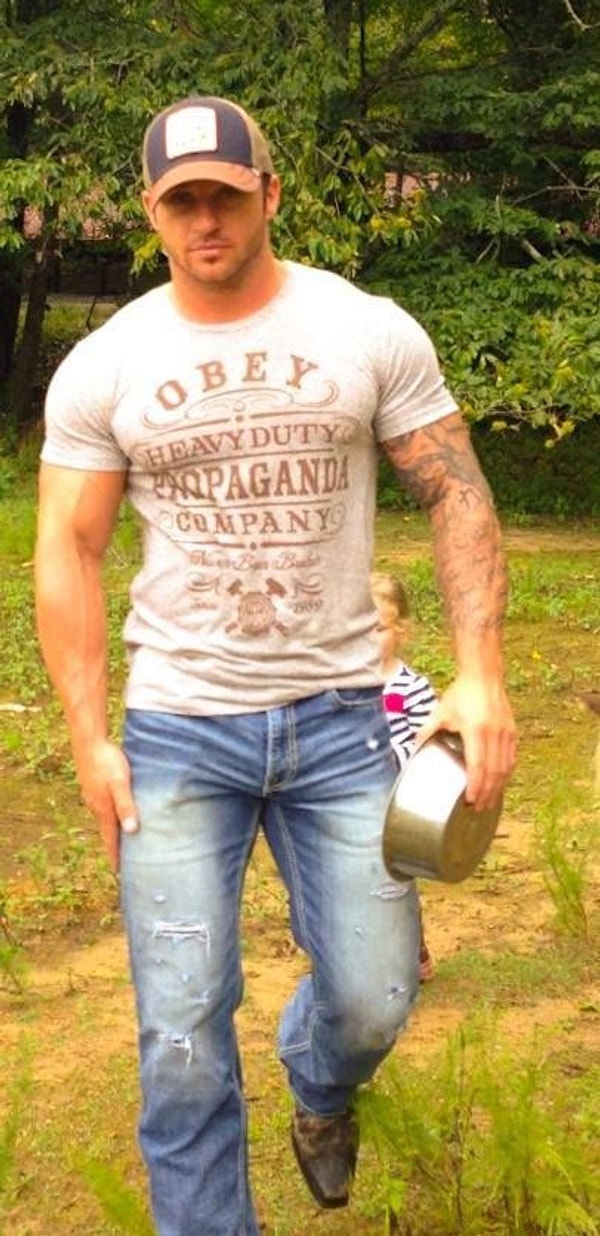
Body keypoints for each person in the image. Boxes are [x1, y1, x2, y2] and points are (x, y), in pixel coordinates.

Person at [34, 94, 516, 1236]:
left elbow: (454, 490)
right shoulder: (108, 363)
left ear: (270, 195)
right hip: (178, 730)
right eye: (182, 201)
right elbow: (68, 546)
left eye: (226, 195)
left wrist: (480, 670)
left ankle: (319, 1083)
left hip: (341, 720)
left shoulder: (365, 329)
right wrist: (89, 738)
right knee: (183, 1036)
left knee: (376, 997)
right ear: (151, 212)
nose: (206, 220)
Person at [371, 570, 437, 982]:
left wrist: (393, 758)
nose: (367, 639)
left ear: (400, 631)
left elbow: (431, 747)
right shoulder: (340, 686)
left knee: (396, 881)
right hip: (348, 800)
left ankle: (414, 951)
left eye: (378, 629)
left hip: (394, 805)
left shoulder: (412, 688)